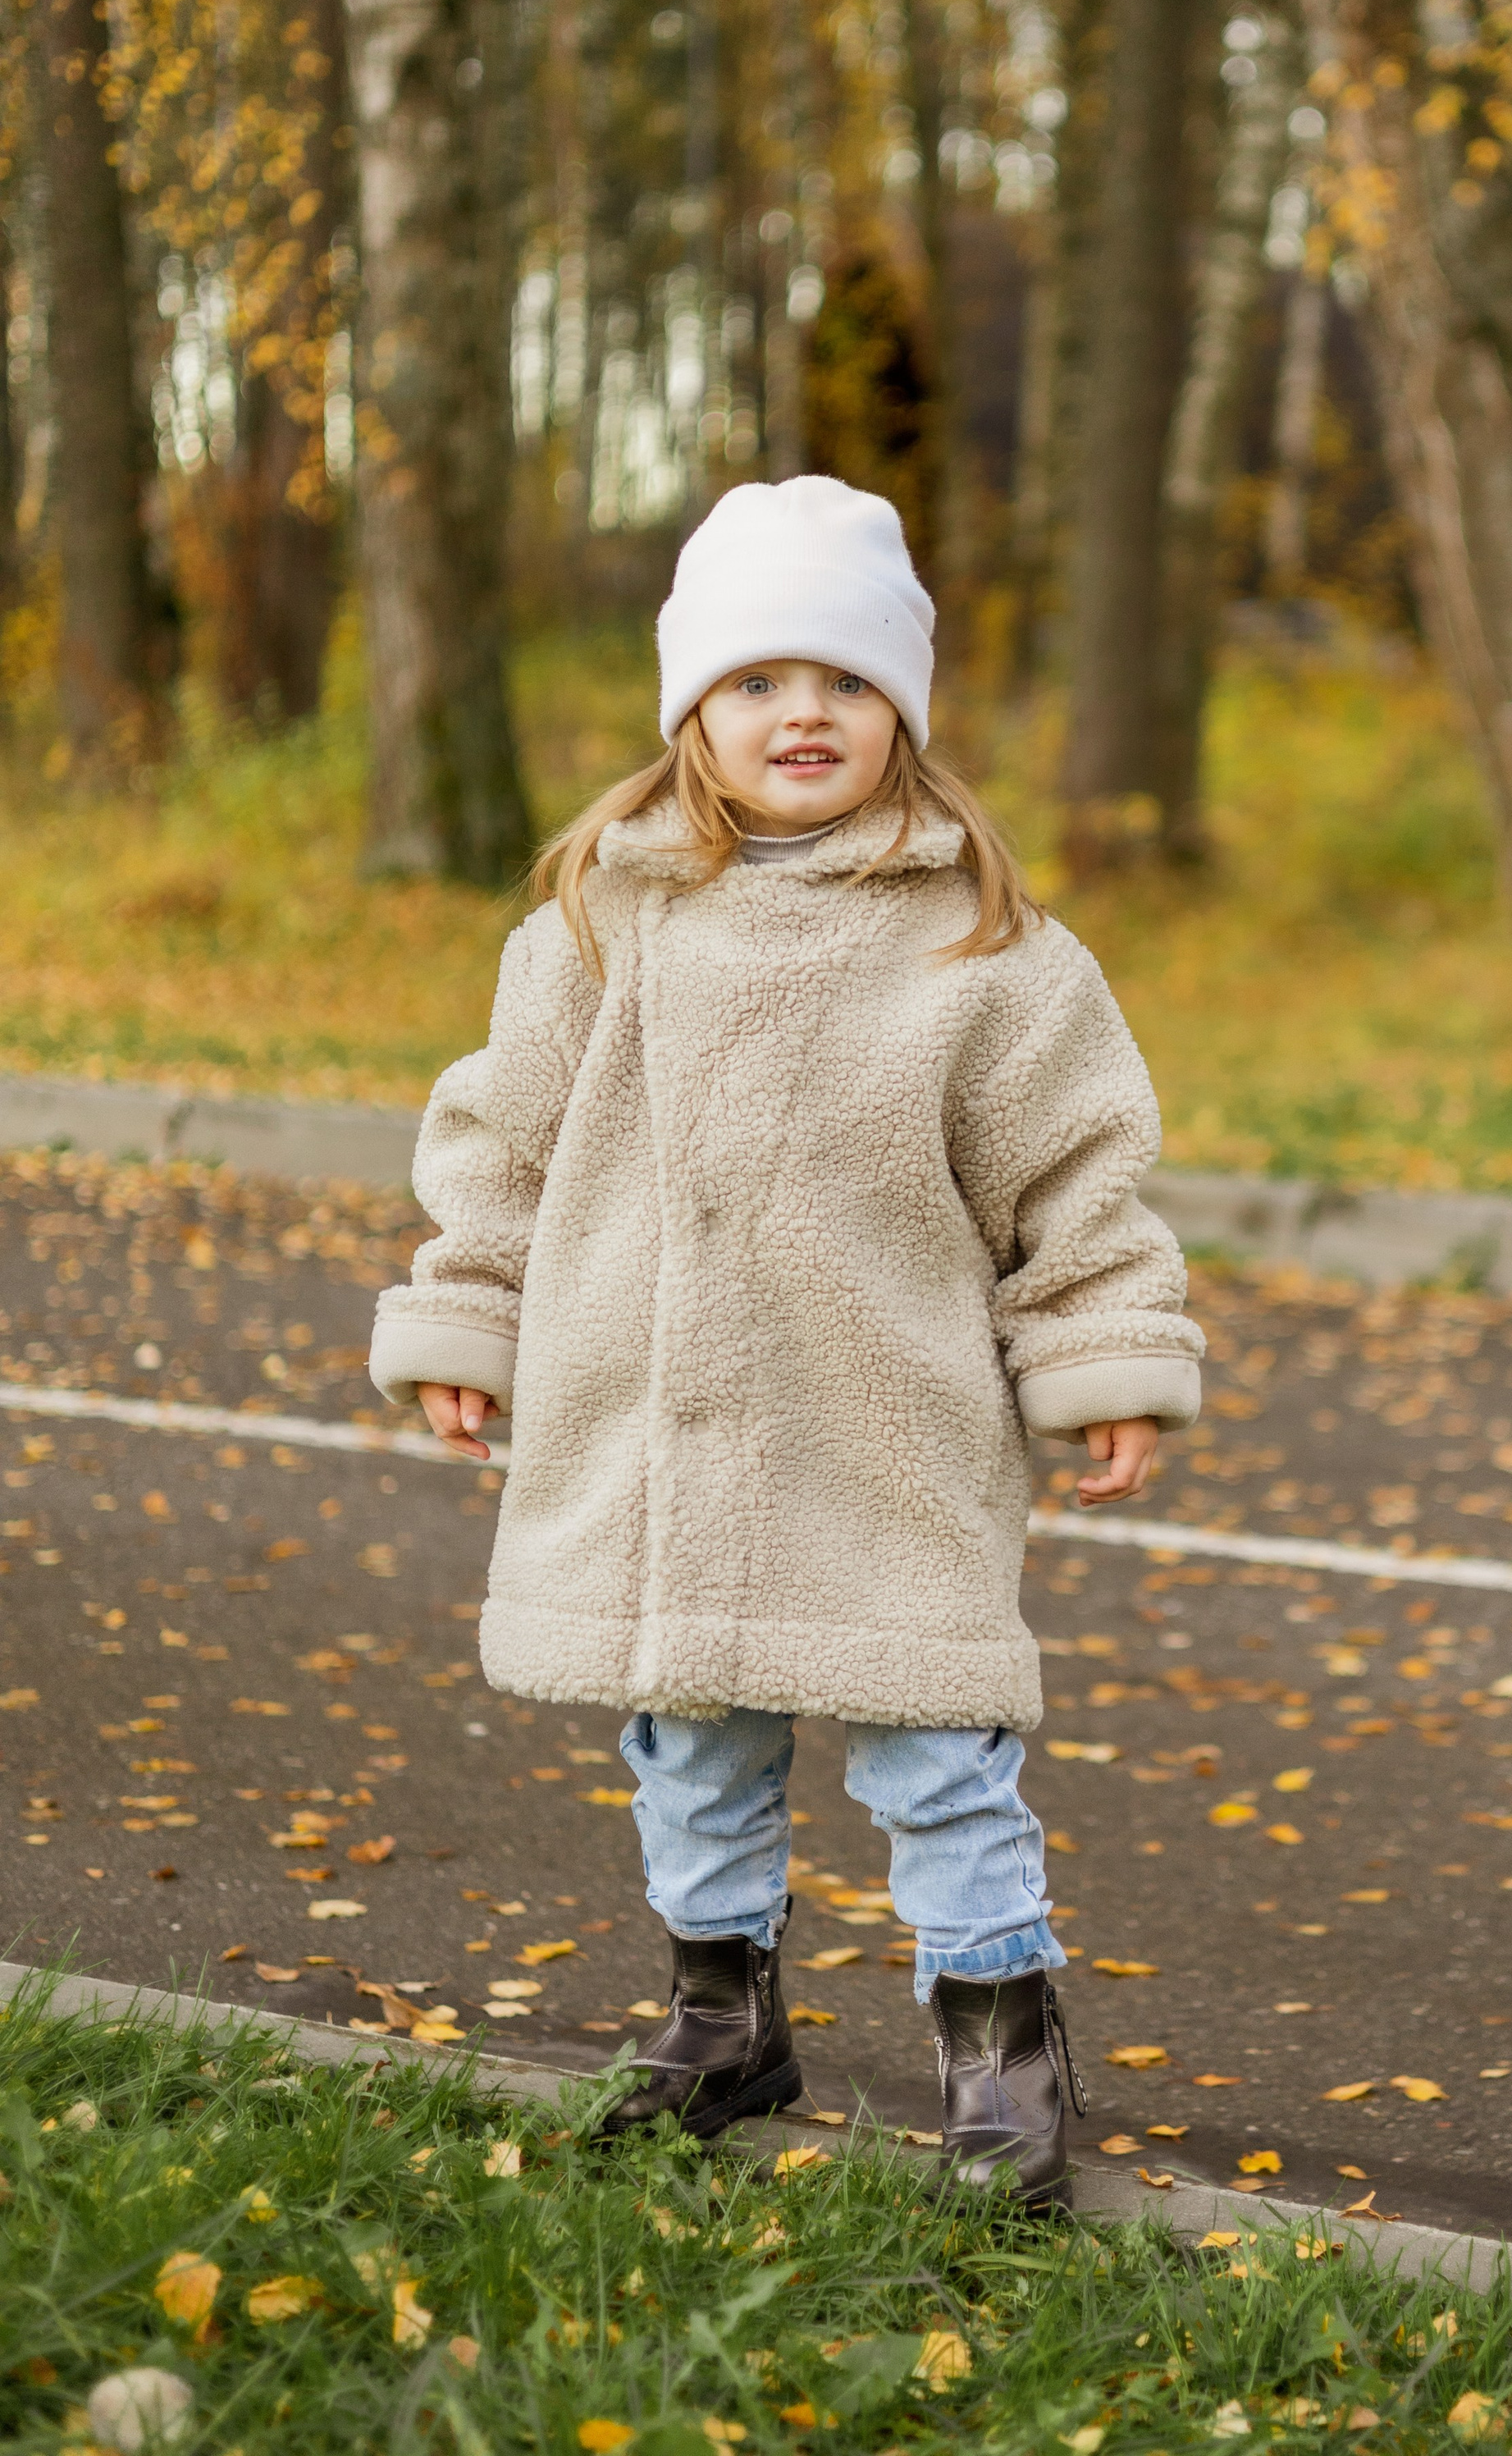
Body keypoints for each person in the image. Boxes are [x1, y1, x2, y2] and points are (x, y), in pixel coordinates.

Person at [367, 475, 1203, 2206]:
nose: (798, 712)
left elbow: (1074, 1173)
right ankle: (720, 2020)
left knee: (935, 1750)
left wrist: (1104, 1348)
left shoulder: (985, 953)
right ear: (693, 716)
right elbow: (502, 1140)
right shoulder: (599, 924)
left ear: (900, 707)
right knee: (689, 1744)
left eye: (838, 678)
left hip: (880, 1422)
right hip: (660, 1425)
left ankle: (1003, 2066)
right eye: (753, 682)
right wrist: (472, 1306)